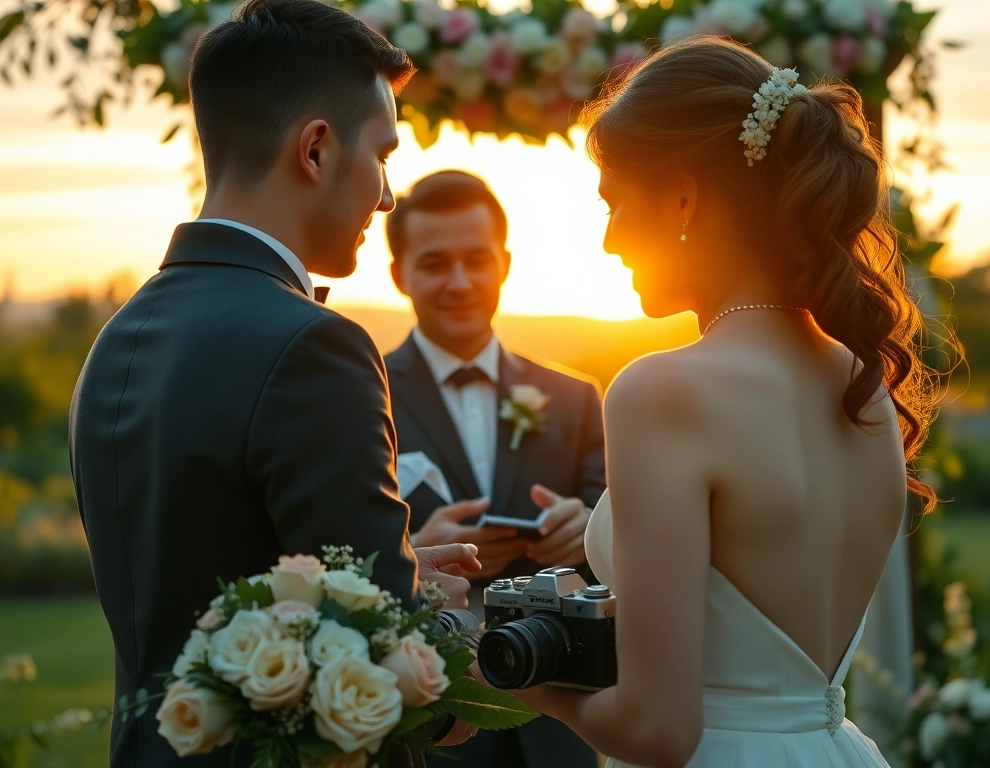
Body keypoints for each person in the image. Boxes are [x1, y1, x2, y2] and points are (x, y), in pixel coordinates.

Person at [498, 38, 938, 768]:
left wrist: (509, 668)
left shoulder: (663, 390)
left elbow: (658, 730)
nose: (606, 241)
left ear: (681, 198)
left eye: (613, 203)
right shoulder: (863, 385)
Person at [68, 1, 479, 765]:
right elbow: (400, 678)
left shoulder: (115, 339)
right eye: (383, 155)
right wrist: (442, 629)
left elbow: (208, 567)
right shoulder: (314, 347)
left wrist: (400, 556)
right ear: (316, 150)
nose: (388, 195)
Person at [382, 170, 604, 768]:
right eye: (434, 263)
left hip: (560, 713)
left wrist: (587, 525)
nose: (459, 282)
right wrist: (412, 551)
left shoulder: (576, 398)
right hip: (433, 719)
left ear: (503, 263)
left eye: (476, 260)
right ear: (399, 273)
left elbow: (629, 534)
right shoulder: (359, 399)